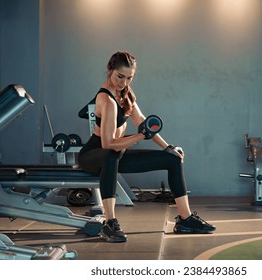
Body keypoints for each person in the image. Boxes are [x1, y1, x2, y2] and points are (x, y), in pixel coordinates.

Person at [78, 51, 216, 242]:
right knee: (111, 153)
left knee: (172, 159)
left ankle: (185, 219)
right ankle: (110, 223)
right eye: (120, 76)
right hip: (94, 155)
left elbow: (143, 122)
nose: (124, 82)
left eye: (129, 78)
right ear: (109, 70)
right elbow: (107, 143)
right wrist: (139, 136)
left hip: (119, 152)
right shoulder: (106, 99)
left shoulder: (125, 94)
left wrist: (168, 147)